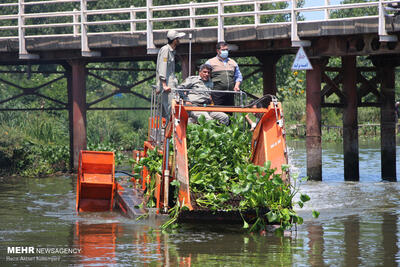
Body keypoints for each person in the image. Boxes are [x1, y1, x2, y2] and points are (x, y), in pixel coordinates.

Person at [156, 29, 185, 119]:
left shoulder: (172, 51)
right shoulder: (165, 50)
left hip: (171, 82)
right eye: (178, 38)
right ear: (175, 40)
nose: (179, 40)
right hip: (167, 84)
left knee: (172, 107)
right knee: (170, 107)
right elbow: (162, 67)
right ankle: (172, 130)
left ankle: (171, 129)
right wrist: (164, 85)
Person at [205, 41, 243, 106]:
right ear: (218, 51)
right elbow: (204, 77)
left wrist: (237, 86)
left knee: (229, 114)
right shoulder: (210, 62)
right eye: (223, 50)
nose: (225, 51)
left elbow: (238, 76)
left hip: (230, 93)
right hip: (216, 94)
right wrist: (208, 92)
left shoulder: (233, 62)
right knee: (217, 114)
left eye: (226, 49)